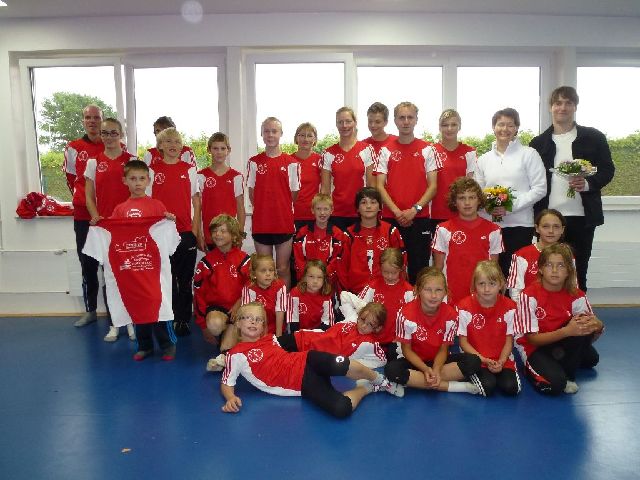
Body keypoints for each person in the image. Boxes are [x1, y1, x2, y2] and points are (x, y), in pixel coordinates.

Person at [220, 302, 402, 418]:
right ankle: (368, 388)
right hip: (303, 384)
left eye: (258, 319)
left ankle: (381, 381)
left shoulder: (270, 339)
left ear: (263, 327)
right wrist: (230, 397)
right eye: (248, 318)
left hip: (308, 359)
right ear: (238, 323)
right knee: (341, 409)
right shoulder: (235, 354)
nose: (253, 322)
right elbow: (227, 382)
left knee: (341, 363)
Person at [530, 86, 615, 292]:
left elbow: (607, 170)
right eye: (558, 103)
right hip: (548, 220)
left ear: (575, 106)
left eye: (568, 103)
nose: (563, 107)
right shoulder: (538, 143)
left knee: (578, 272)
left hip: (582, 218)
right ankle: (549, 311)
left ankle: (579, 311)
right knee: (547, 272)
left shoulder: (594, 137)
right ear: (551, 107)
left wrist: (588, 184)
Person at [108, 160, 180, 361]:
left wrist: (170, 222)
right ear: (125, 181)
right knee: (137, 306)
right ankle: (144, 346)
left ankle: (168, 344)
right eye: (133, 179)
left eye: (141, 178)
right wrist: (100, 225)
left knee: (158, 304)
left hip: (153, 267)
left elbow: (166, 235)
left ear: (148, 180)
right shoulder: (120, 209)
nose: (137, 183)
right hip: (133, 269)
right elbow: (113, 234)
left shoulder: (157, 206)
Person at [514, 243, 604, 395]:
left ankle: (567, 374)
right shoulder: (528, 296)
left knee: (591, 358)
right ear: (540, 269)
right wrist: (567, 332)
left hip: (560, 340)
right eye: (549, 265)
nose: (555, 270)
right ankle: (534, 370)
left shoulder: (577, 295)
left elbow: (588, 334)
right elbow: (532, 340)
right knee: (556, 385)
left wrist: (599, 326)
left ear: (569, 270)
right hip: (535, 346)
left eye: (561, 265)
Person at [474, 107, 547, 278]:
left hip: (519, 226)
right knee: (490, 275)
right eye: (501, 124)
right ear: (493, 127)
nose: (505, 129)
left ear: (516, 128)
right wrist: (488, 208)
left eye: (510, 125)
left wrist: (509, 207)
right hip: (489, 226)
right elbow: (478, 192)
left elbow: (540, 188)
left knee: (514, 275)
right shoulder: (483, 159)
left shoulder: (529, 154)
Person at [384, 267, 481, 394]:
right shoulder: (405, 314)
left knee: (474, 361)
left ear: (445, 292)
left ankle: (419, 381)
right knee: (391, 370)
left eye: (438, 290)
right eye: (427, 290)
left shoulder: (451, 315)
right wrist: (425, 369)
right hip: (414, 361)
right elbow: (406, 350)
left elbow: (444, 349)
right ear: (417, 290)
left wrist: (436, 369)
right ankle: (449, 386)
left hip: (439, 361)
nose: (433, 295)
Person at [84, 117, 137, 342]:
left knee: (131, 276)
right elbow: (89, 195)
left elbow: (140, 191)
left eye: (113, 133)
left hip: (128, 227)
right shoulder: (93, 162)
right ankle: (115, 323)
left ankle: (132, 322)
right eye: (105, 133)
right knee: (110, 277)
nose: (109, 137)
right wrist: (95, 215)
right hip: (106, 228)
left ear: (121, 134)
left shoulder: (132, 160)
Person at [376, 102, 439, 283]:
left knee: (419, 270)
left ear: (416, 120)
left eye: (410, 117)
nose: (405, 121)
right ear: (395, 120)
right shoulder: (385, 150)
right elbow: (379, 186)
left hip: (419, 218)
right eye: (401, 117)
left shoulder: (428, 149)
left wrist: (414, 209)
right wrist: (397, 212)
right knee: (391, 269)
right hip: (391, 218)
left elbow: (433, 186)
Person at [148, 127, 200, 337]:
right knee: (164, 279)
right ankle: (166, 317)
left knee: (185, 280)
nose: (173, 145)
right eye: (168, 141)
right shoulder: (152, 170)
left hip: (185, 232)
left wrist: (194, 230)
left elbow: (196, 201)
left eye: (177, 142)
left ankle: (183, 319)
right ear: (160, 146)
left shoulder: (189, 170)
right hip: (160, 234)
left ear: (182, 147)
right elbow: (147, 203)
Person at [63, 104, 106, 327]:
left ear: (102, 120)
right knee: (87, 264)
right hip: (83, 216)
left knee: (111, 266)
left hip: (108, 216)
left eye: (96, 117)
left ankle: (117, 314)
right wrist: (83, 199)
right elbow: (71, 179)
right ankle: (90, 311)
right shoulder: (74, 147)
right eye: (88, 117)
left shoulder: (114, 145)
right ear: (83, 121)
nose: (92, 121)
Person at [432, 177, 503, 306]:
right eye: (461, 198)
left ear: (479, 200)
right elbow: (438, 268)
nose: (467, 202)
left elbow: (493, 270)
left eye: (472, 197)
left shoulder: (494, 230)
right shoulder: (443, 229)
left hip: (481, 295)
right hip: (452, 295)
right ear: (454, 202)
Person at [247, 117, 300, 289]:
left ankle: (283, 304)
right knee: (264, 269)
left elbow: (293, 194)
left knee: (282, 268)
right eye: (267, 131)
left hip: (283, 223)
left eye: (274, 131)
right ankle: (267, 304)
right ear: (262, 134)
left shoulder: (292, 163)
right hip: (261, 224)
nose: (270, 135)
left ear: (281, 134)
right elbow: (252, 193)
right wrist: (265, 208)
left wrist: (279, 207)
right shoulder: (254, 162)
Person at [193, 214, 251, 371]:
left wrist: (239, 304)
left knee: (227, 347)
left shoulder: (244, 259)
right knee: (214, 325)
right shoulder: (206, 262)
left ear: (233, 235)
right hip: (218, 310)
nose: (217, 234)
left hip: (240, 308)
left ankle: (225, 353)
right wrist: (203, 326)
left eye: (223, 231)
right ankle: (229, 338)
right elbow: (198, 294)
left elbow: (252, 286)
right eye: (215, 231)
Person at [457, 261, 521, 396]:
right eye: (481, 284)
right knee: (487, 387)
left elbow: (509, 340)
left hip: (502, 358)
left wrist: (502, 361)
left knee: (511, 388)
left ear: (500, 285)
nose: (486, 289)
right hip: (477, 359)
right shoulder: (464, 307)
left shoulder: (510, 307)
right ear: (474, 285)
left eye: (492, 284)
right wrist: (483, 359)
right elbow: (463, 342)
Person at [278, 299, 389, 369]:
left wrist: (354, 362)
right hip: (304, 339)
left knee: (278, 362)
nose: (364, 325)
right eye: (363, 319)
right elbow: (344, 296)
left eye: (370, 324)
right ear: (359, 315)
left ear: (377, 328)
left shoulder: (369, 343)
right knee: (272, 345)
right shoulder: (352, 318)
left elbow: (382, 360)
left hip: (311, 358)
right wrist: (365, 307)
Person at [338, 187, 405, 294]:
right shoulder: (348, 235)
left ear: (380, 207)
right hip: (355, 293)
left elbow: (402, 263)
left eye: (373, 202)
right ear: (357, 208)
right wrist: (346, 294)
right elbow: (341, 268)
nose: (368, 206)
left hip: (385, 291)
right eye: (363, 202)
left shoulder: (391, 231)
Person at [321, 107, 376, 231]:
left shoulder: (367, 150)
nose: (344, 125)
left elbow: (371, 187)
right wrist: (324, 213)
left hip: (361, 213)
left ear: (355, 123)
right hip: (336, 214)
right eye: (340, 122)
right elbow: (325, 189)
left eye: (348, 121)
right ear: (336, 124)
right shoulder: (328, 153)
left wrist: (369, 212)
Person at [429, 109, 476, 233]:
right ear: (439, 127)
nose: (449, 129)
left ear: (459, 126)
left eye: (453, 124)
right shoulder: (430, 151)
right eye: (445, 125)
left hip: (462, 213)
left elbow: (470, 185)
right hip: (435, 213)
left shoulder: (469, 152)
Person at [197, 132, 245, 251]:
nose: (219, 152)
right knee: (212, 263)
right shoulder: (201, 176)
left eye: (223, 148)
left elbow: (240, 208)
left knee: (230, 263)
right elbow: (197, 209)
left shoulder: (236, 176)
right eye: (215, 148)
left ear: (228, 150)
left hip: (230, 235)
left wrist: (240, 234)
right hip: (210, 234)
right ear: (209, 150)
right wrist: (199, 234)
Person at [356, 248, 414, 345]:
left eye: (394, 273)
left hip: (396, 342)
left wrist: (403, 337)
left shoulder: (408, 291)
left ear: (401, 269)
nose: (390, 276)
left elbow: (413, 319)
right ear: (380, 268)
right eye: (386, 272)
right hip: (372, 340)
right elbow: (358, 307)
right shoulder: (372, 287)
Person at [507, 208, 566, 302]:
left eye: (556, 226)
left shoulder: (567, 255)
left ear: (562, 229)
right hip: (529, 307)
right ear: (537, 228)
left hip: (559, 307)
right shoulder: (522, 255)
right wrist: (527, 308)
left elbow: (572, 287)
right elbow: (515, 292)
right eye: (545, 226)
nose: (551, 231)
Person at [292, 193, 347, 287]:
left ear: (331, 210)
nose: (322, 213)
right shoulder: (302, 233)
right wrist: (309, 277)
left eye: (326, 209)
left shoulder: (338, 235)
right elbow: (298, 260)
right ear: (312, 210)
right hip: (306, 281)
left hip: (327, 282)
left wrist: (321, 277)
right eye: (318, 209)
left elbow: (337, 261)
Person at [241, 254, 287, 336]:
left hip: (275, 327)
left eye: (271, 270)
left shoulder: (280, 286)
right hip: (255, 327)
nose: (268, 274)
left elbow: (280, 311)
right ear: (254, 274)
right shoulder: (249, 288)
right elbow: (248, 314)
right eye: (263, 271)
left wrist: (278, 336)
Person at [287, 260, 334, 332]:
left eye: (319, 277)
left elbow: (327, 323)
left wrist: (312, 334)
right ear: (305, 277)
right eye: (311, 276)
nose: (315, 281)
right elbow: (292, 321)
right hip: (299, 333)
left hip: (318, 333)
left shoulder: (326, 296)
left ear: (324, 279)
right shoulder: (295, 294)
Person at [292, 122, 322, 230]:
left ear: (315, 139)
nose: (305, 139)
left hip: (314, 215)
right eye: (302, 135)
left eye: (309, 136)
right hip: (292, 215)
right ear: (296, 138)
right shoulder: (288, 161)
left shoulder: (320, 160)